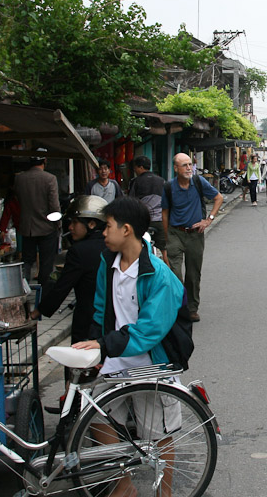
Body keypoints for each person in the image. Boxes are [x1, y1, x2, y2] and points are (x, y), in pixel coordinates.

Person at [72, 197, 184, 497]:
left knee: (158, 435)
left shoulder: (159, 275)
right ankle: (124, 485)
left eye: (107, 227)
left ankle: (166, 493)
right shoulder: (107, 263)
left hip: (150, 364)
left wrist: (103, 344)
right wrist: (95, 347)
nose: (103, 233)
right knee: (92, 416)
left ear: (126, 230)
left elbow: (149, 331)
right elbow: (100, 309)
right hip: (115, 360)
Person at [30, 196, 107, 381]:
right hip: (114, 320)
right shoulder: (111, 246)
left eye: (74, 223)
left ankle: (72, 404)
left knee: (78, 369)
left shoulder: (79, 252)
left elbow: (61, 288)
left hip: (87, 320)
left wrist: (38, 311)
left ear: (90, 224)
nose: (70, 228)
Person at [161, 153, 223, 322]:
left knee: (193, 274)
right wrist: (165, 239)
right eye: (184, 165)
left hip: (195, 235)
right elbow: (164, 213)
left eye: (190, 164)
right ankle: (179, 307)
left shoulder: (198, 182)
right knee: (174, 273)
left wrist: (208, 220)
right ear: (176, 168)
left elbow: (218, 198)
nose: (189, 168)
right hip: (175, 233)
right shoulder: (168, 187)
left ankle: (192, 308)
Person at [14, 148, 61, 289]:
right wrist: (58, 223)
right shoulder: (50, 179)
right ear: (44, 161)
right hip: (47, 227)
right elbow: (54, 205)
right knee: (46, 262)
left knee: (27, 260)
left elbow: (18, 200)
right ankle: (44, 291)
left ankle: (23, 287)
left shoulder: (20, 178)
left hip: (27, 226)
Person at [128, 155, 167, 259]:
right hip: (160, 221)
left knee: (139, 247)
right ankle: (169, 272)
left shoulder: (135, 181)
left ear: (140, 167)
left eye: (135, 168)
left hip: (143, 222)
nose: (135, 170)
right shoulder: (162, 181)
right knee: (164, 250)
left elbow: (131, 203)